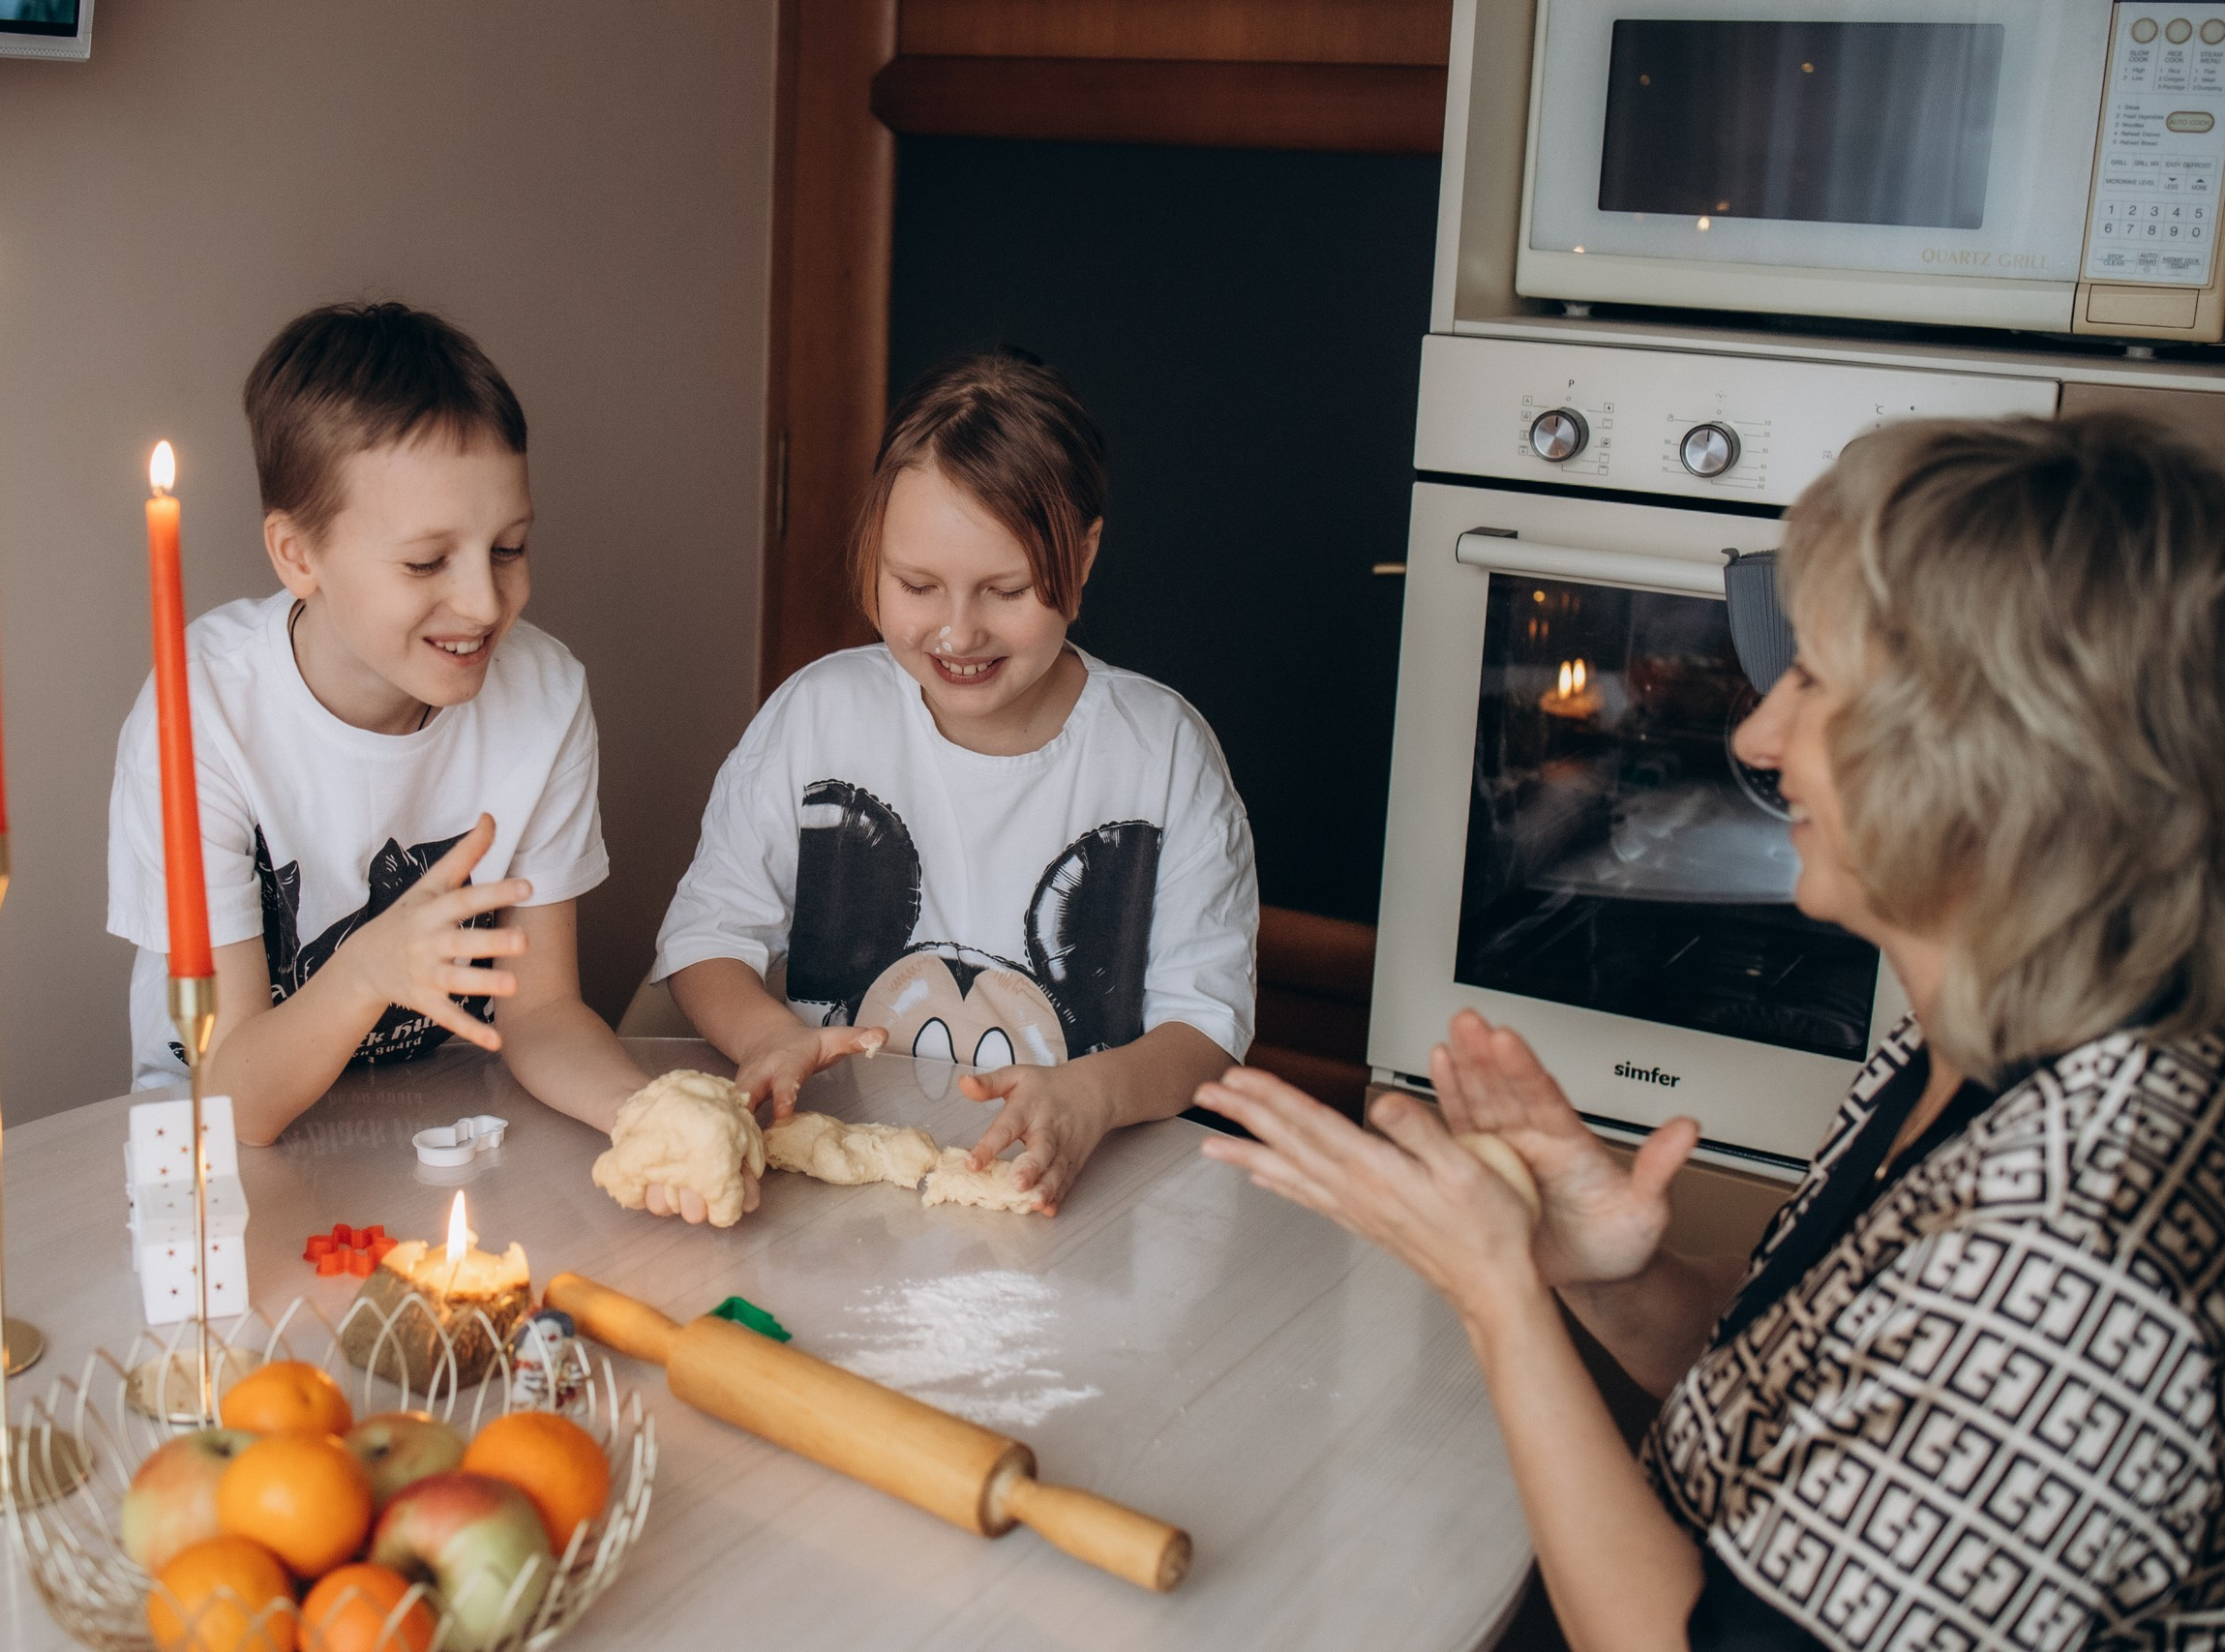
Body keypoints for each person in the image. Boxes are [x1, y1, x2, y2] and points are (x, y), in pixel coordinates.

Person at [1200, 413, 2225, 1648]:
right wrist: (1611, 1273)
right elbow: (1808, 1412)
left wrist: (1495, 1298)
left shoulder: (2076, 1267)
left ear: (1997, 754)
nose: (1754, 737)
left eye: (1815, 681)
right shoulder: (1965, 1047)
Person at [653, 347, 1257, 1214]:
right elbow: (706, 937)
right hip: (832, 1199)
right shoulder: (819, 716)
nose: (958, 632)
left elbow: (1205, 1025)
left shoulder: (1161, 754)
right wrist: (768, 1035)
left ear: (1084, 556)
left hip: (1073, 1204)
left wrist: (1093, 1094)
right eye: (917, 584)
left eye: (1006, 590)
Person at [107, 302, 668, 1186]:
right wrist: (367, 968)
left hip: (438, 1128)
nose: (485, 603)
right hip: (218, 1161)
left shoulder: (546, 697)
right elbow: (238, 1101)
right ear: (298, 555)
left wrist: (651, 1119)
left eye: (509, 547)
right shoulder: (202, 714)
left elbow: (542, 1013)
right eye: (426, 561)